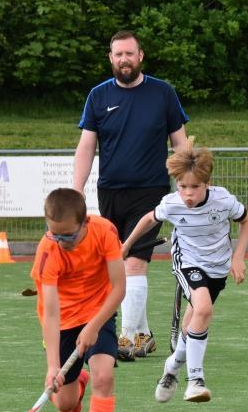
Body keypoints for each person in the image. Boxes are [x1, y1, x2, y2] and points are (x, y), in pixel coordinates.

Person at [73, 30, 189, 362]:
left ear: (140, 56)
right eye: (118, 54)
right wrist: (75, 191)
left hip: (150, 191)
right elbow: (86, 147)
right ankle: (143, 334)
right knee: (115, 264)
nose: (124, 59)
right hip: (110, 191)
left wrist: (189, 182)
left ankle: (124, 337)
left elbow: (180, 143)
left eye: (129, 53)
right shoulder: (98, 96)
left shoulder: (163, 93)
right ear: (111, 58)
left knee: (134, 262)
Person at [120, 138, 248, 403]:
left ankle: (171, 368)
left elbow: (246, 221)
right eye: (182, 187)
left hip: (218, 267)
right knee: (203, 309)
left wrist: (238, 257)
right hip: (188, 262)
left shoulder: (223, 200)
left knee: (193, 320)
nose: (188, 194)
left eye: (195, 187)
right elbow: (149, 219)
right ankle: (195, 380)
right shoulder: (171, 203)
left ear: (207, 183)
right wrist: (127, 245)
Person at [30, 188, 126, 412]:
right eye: (54, 234)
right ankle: (76, 383)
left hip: (100, 310)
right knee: (66, 405)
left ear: (85, 222)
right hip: (63, 323)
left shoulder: (105, 231)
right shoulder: (48, 251)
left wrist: (94, 325)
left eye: (68, 236)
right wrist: (52, 367)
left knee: (104, 377)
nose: (61, 242)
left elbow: (119, 288)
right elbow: (51, 314)